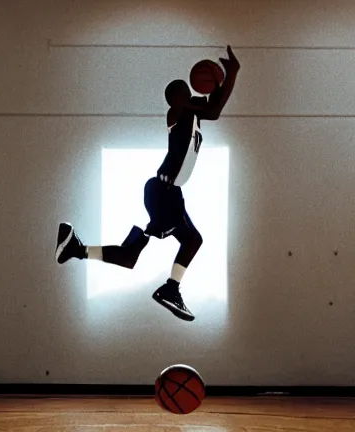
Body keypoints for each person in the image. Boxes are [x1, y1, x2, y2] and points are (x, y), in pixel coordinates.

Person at [55, 46, 240, 321]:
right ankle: (170, 289)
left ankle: (76, 248)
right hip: (163, 191)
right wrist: (231, 74)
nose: (190, 95)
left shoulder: (191, 113)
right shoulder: (177, 112)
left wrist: (220, 82)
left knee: (133, 255)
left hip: (166, 193)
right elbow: (213, 109)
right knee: (192, 240)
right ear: (175, 98)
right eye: (185, 93)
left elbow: (212, 106)